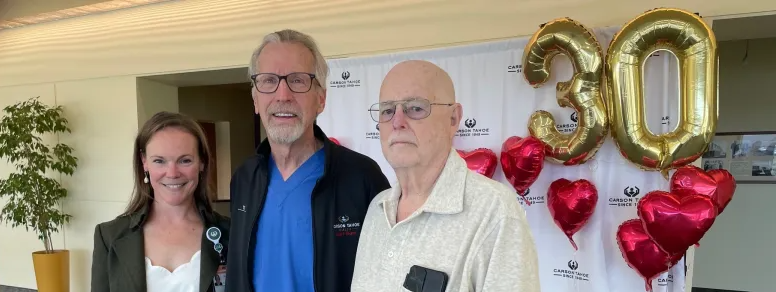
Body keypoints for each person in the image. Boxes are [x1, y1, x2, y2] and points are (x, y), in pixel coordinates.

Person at [351, 60, 541, 292]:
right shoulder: (376, 209)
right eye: (387, 110)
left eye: (415, 108)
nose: (397, 122)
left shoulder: (494, 213)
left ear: (453, 119)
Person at [226, 29, 392, 292]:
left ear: (321, 99)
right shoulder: (245, 178)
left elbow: (389, 271)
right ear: (256, 99)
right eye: (268, 81)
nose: (283, 95)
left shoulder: (362, 177)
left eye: (298, 80)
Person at [91, 111, 231, 292]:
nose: (172, 173)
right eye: (159, 161)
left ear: (202, 162)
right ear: (144, 162)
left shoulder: (231, 234)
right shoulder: (109, 236)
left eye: (185, 160)